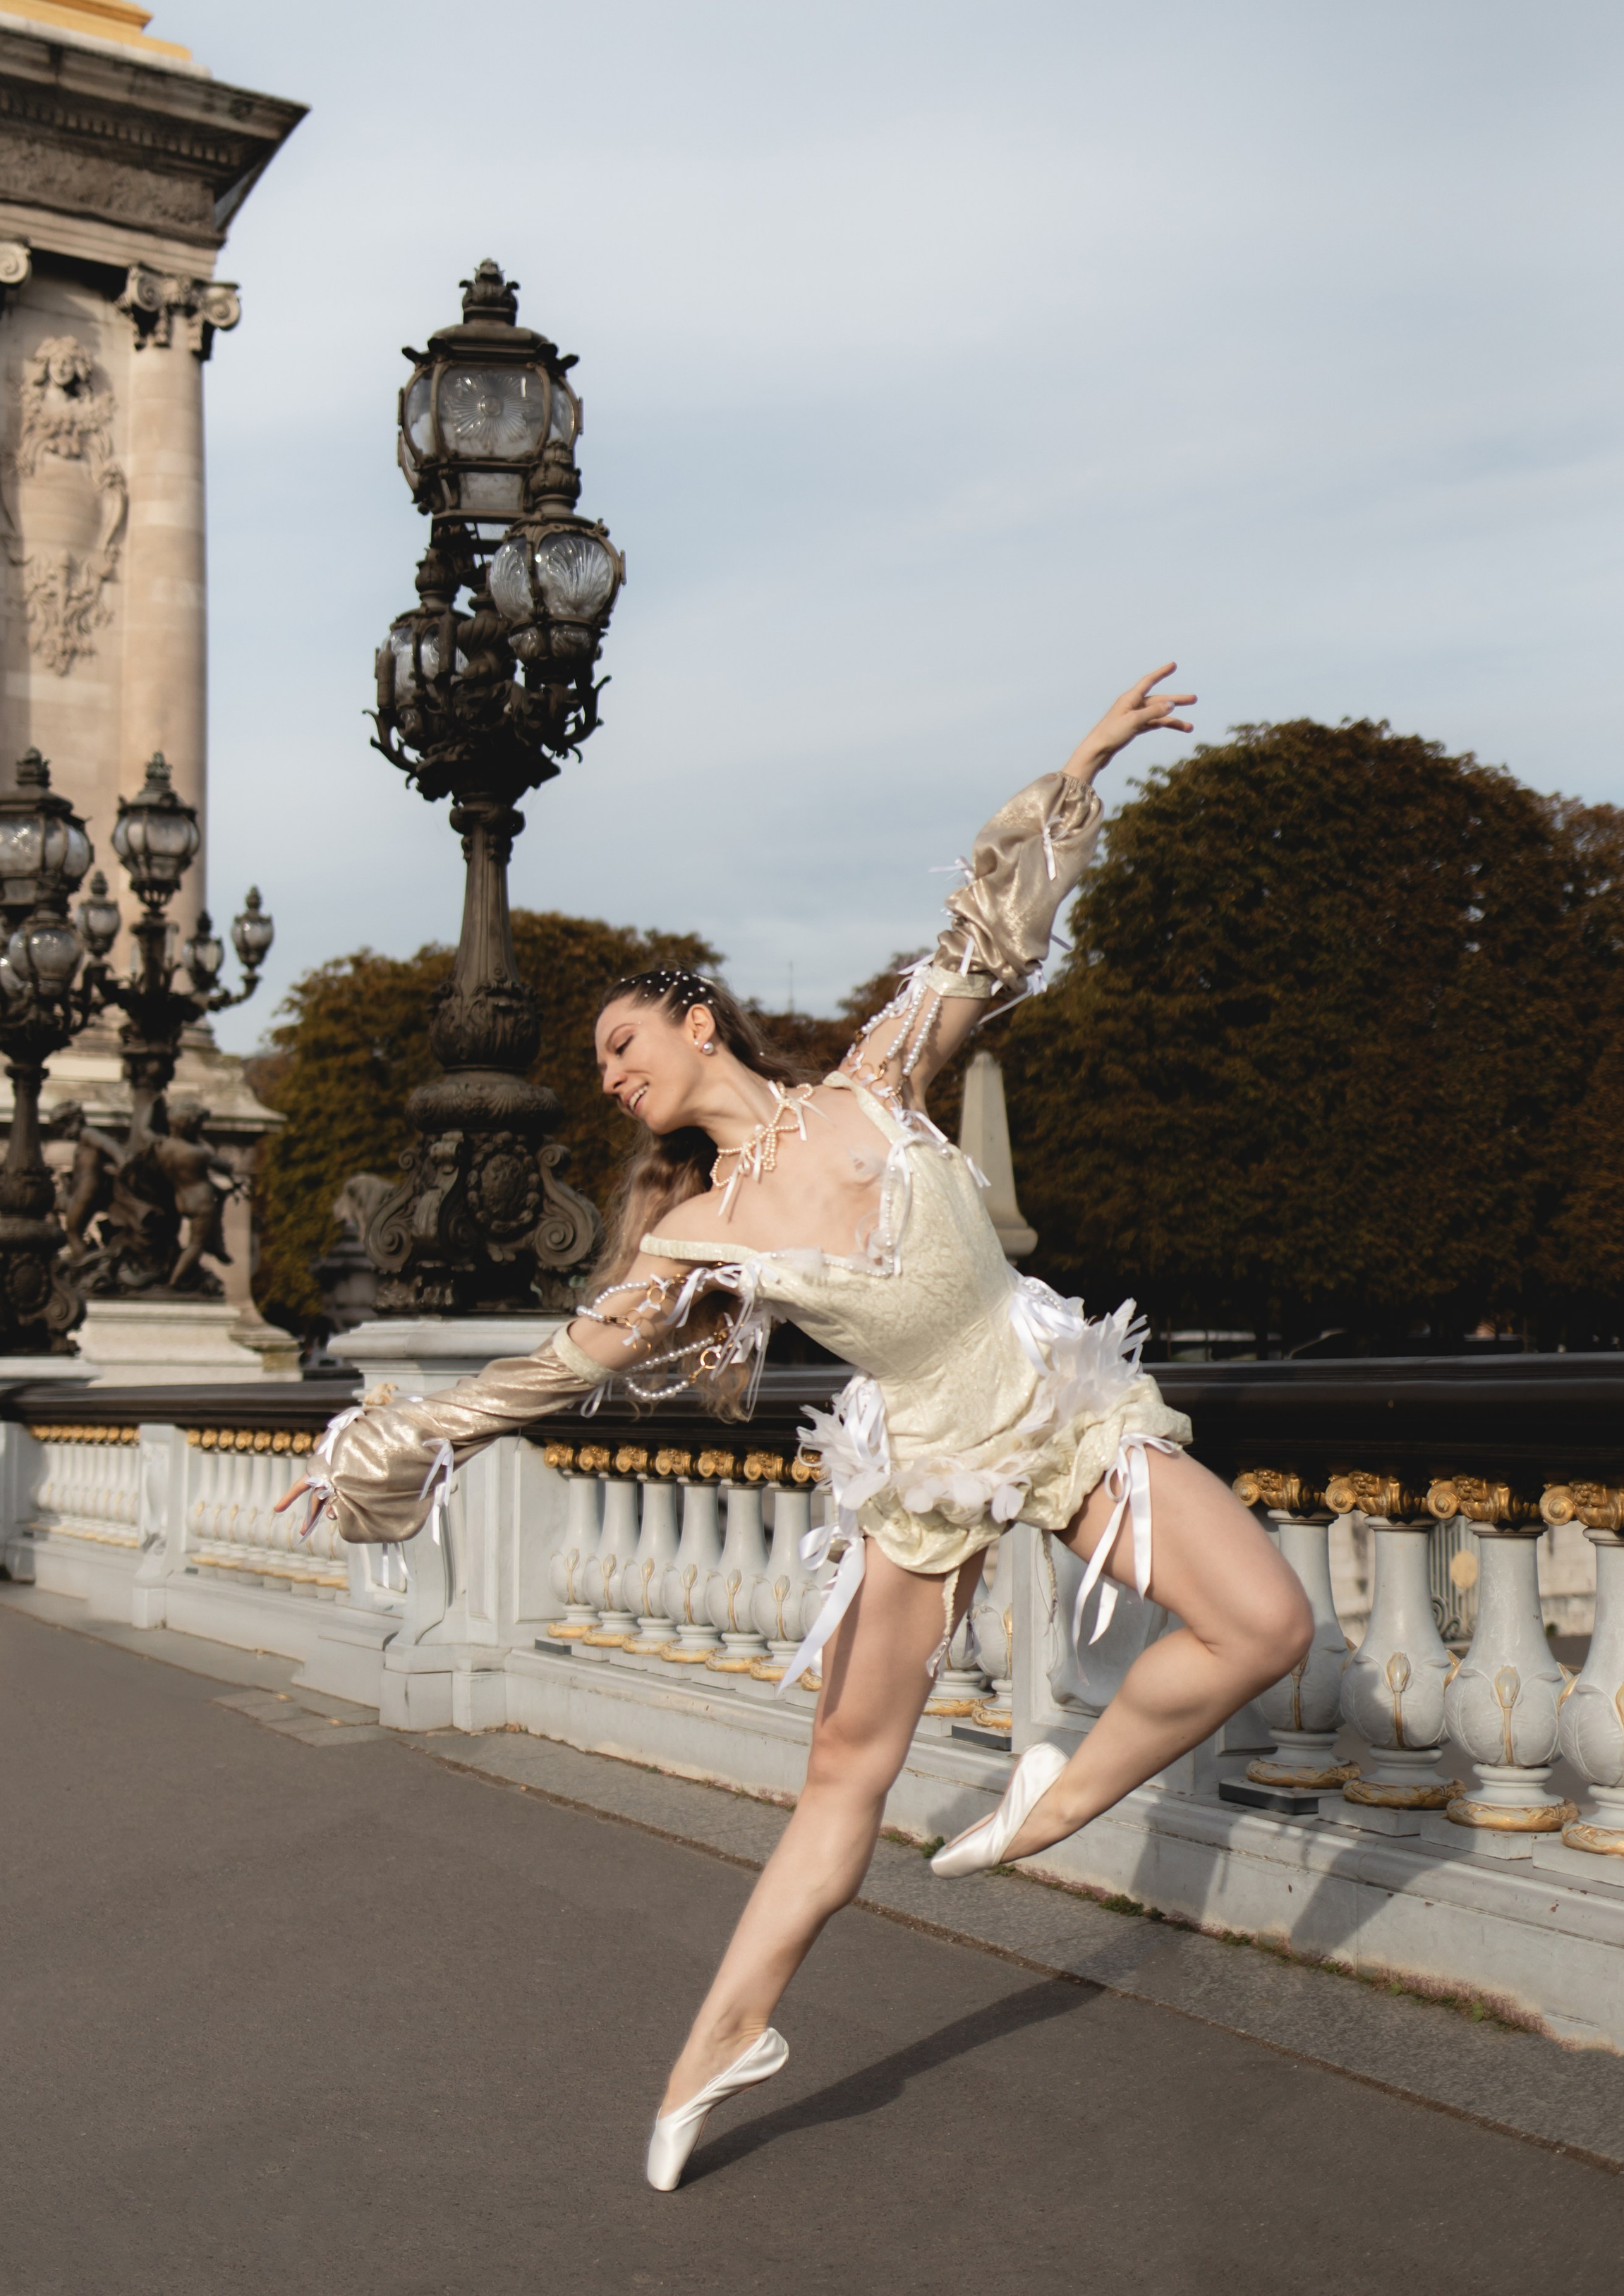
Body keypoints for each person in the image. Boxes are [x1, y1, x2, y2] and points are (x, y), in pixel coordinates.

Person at [277, 665, 1314, 2190]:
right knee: (841, 1770)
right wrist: (385, 1444)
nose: (612, 1075)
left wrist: (1082, 762)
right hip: (922, 1467)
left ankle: (1059, 1790)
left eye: (625, 1042)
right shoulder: (695, 1232)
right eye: (601, 1068)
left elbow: (987, 932)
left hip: (1056, 1400)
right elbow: (546, 1372)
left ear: (697, 1018)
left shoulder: (878, 1076)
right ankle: (720, 2040)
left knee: (1265, 1622)